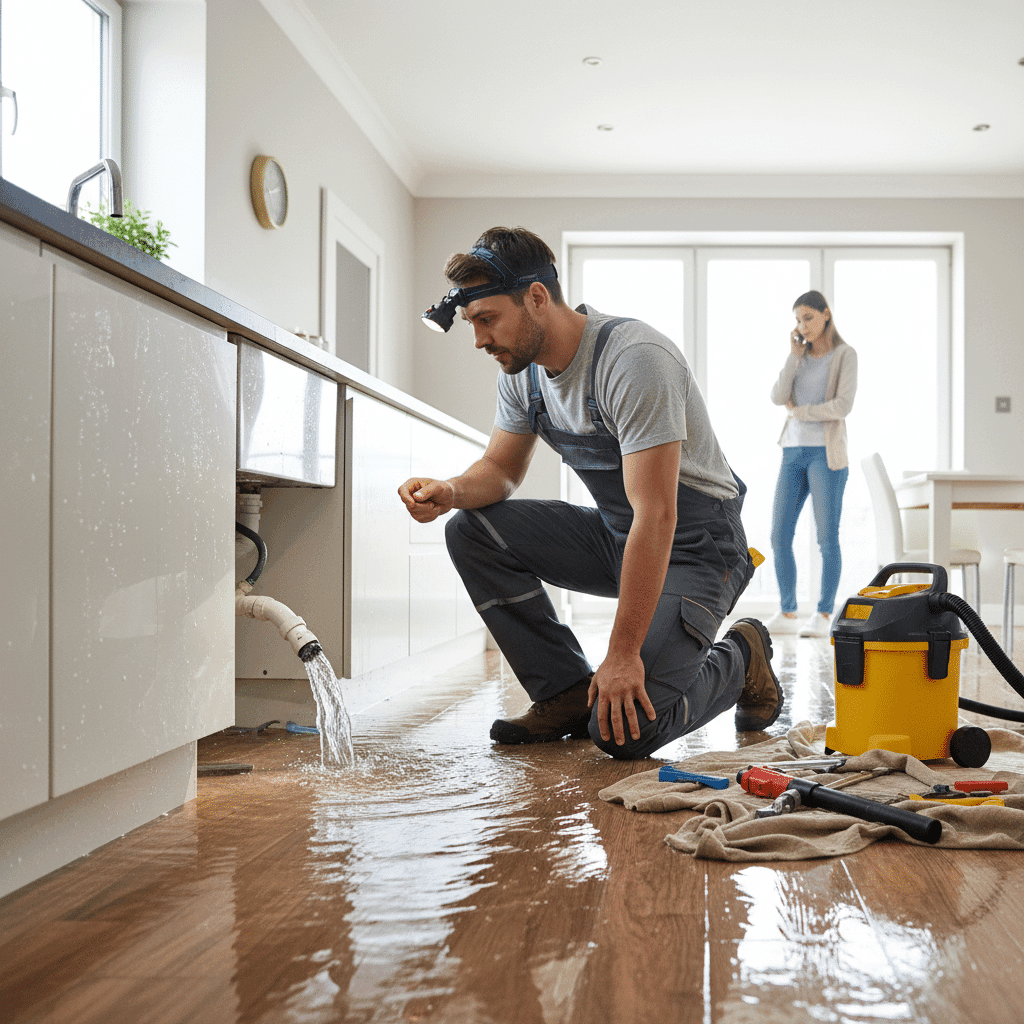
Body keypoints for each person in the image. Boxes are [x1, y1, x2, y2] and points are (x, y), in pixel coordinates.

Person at [398, 227, 784, 759]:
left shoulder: (634, 359)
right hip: (620, 536)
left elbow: (658, 514)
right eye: (471, 324)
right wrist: (453, 489)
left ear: (536, 298)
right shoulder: (523, 372)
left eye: (487, 320)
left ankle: (743, 656)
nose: (479, 340)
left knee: (627, 732)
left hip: (696, 546)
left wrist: (622, 654)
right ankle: (564, 693)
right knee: (472, 528)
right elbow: (500, 470)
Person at [767, 290, 858, 638]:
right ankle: (788, 612)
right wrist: (793, 357)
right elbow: (777, 397)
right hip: (792, 452)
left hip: (826, 453)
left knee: (826, 537)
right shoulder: (799, 356)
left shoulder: (844, 355)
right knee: (779, 535)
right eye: (798, 320)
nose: (802, 326)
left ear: (826, 314)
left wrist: (802, 412)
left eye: (807, 317)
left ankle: (823, 614)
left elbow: (843, 405)